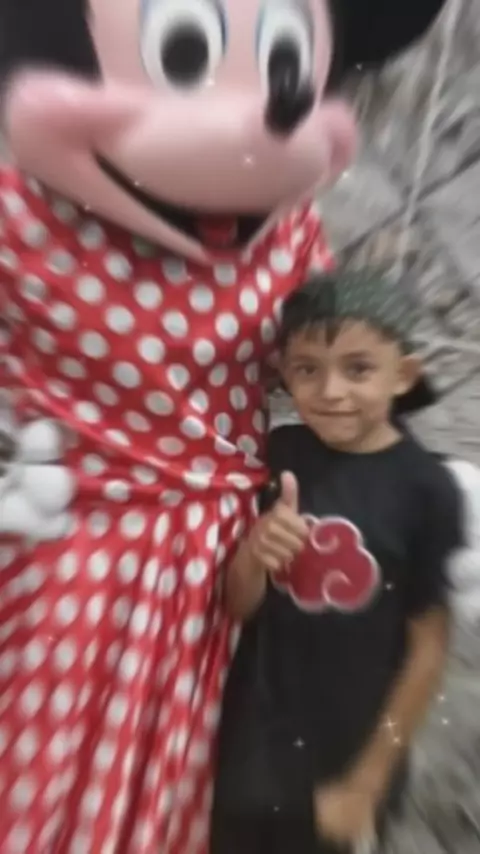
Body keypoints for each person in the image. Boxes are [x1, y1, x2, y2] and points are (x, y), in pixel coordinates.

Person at [211, 269, 464, 854]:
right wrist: (254, 553)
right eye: (307, 369)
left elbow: (428, 651)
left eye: (358, 369)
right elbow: (238, 605)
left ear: (403, 375)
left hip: (346, 764)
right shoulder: (278, 454)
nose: (330, 391)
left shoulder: (427, 491)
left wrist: (368, 781)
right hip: (251, 750)